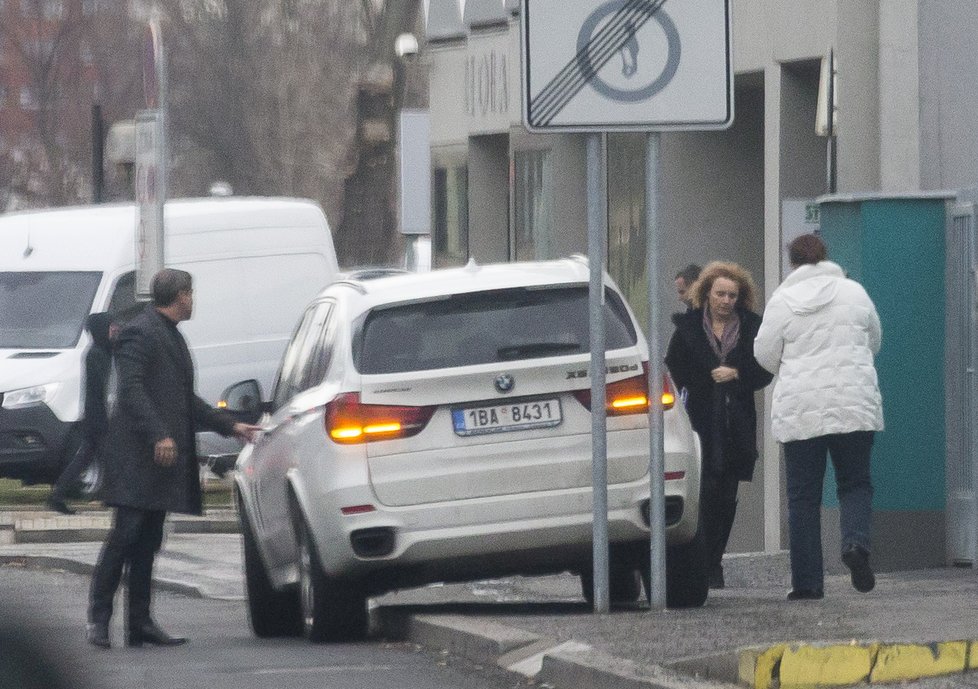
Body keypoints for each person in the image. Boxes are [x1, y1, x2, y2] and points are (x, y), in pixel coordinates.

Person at [87, 269, 259, 649]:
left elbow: (185, 400)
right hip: (137, 455)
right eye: (190, 293)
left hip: (160, 459)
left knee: (149, 540)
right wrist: (159, 434)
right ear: (179, 295)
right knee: (125, 536)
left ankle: (140, 622)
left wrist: (232, 427)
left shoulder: (172, 338)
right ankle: (98, 619)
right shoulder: (140, 331)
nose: (193, 299)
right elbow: (130, 391)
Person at [753, 234, 883, 601]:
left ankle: (808, 584)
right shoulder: (854, 292)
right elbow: (874, 340)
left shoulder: (782, 300)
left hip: (801, 409)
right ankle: (855, 544)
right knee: (855, 484)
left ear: (792, 263)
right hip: (853, 403)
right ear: (827, 257)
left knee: (802, 498)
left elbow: (764, 355)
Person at [665, 261, 773, 589]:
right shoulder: (688, 329)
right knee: (704, 492)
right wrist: (702, 381)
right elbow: (672, 371)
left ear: (740, 298)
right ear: (707, 293)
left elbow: (765, 368)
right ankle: (701, 562)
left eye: (732, 295)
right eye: (720, 294)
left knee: (727, 494)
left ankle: (715, 560)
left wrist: (737, 373)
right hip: (699, 422)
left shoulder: (753, 328)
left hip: (736, 424)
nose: (725, 300)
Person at [47, 313, 118, 515]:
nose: (114, 329)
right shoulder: (97, 354)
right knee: (107, 457)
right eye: (110, 326)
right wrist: (105, 417)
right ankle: (111, 498)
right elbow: (102, 390)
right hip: (98, 417)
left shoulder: (102, 352)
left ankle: (58, 495)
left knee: (86, 457)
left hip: (95, 415)